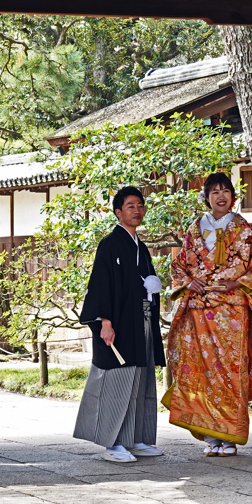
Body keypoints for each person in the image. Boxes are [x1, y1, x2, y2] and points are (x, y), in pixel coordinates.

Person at [163, 172, 252, 457]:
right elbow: (179, 267)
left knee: (229, 370)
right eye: (214, 192)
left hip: (232, 311)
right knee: (201, 370)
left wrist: (237, 282)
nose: (221, 196)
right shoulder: (195, 228)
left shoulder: (243, 228)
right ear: (206, 198)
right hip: (199, 309)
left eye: (226, 191)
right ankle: (210, 437)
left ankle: (230, 436)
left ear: (233, 197)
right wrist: (190, 283)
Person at [74, 186, 166, 462]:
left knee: (140, 381)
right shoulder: (110, 244)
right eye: (130, 206)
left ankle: (135, 438)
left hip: (142, 322)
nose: (137, 210)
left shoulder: (141, 246)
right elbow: (102, 286)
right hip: (118, 323)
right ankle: (113, 443)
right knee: (116, 383)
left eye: (140, 205)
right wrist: (106, 322)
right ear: (118, 212)